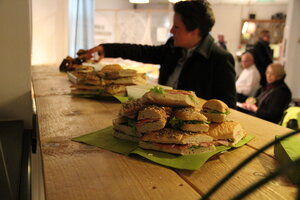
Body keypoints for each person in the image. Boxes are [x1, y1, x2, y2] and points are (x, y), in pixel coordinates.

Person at [84, 0, 236, 108]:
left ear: (194, 31)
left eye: (176, 27)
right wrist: (107, 49)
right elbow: (143, 51)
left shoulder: (220, 59)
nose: (171, 31)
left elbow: (227, 108)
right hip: (160, 116)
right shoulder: (173, 47)